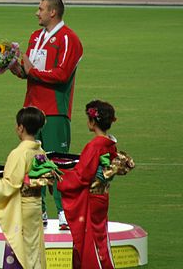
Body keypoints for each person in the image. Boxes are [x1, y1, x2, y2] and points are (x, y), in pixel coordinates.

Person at [10, 0, 83, 230]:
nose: (36, 12)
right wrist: (14, 67)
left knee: (57, 163)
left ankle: (64, 212)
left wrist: (32, 71)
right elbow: (29, 72)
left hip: (54, 111)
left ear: (53, 12)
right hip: (31, 109)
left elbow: (62, 74)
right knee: (33, 163)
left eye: (40, 9)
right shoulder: (35, 37)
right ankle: (39, 210)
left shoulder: (69, 39)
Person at [0, 107, 57, 269]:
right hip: (36, 205)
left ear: (21, 127)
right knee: (33, 248)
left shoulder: (19, 153)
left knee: (19, 248)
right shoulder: (40, 152)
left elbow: (10, 184)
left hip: (23, 207)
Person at [58, 100, 134, 269]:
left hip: (91, 199)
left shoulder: (94, 146)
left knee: (90, 240)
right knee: (100, 236)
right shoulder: (109, 144)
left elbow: (82, 176)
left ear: (93, 121)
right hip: (102, 196)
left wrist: (60, 178)